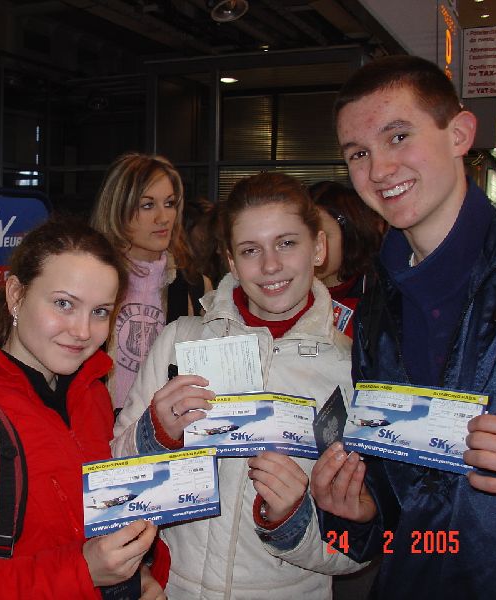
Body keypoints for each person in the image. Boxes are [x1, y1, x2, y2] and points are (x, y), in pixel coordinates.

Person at [310, 55, 496, 600]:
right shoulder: (377, 306)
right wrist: (362, 512)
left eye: (398, 137)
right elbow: (402, 496)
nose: (379, 169)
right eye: (358, 153)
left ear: (460, 134)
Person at [112, 172, 364, 599]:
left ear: (318, 247)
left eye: (287, 243)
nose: (270, 265)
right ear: (230, 260)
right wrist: (156, 434)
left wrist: (291, 520)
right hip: (175, 589)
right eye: (250, 250)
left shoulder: (352, 369)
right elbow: (116, 486)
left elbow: (360, 547)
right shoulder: (179, 341)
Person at [0, 219, 167, 599]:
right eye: (64, 304)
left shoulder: (90, 394)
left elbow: (94, 523)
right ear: (15, 295)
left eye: (100, 312)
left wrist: (135, 574)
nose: (82, 331)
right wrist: (83, 570)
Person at [90, 153, 211, 412]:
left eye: (169, 203)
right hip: (99, 425)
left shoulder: (196, 287)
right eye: (147, 205)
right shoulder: (89, 282)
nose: (163, 217)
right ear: (118, 209)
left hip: (166, 426)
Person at [309, 181, 384, 338]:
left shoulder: (378, 297)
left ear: (351, 238)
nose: (312, 248)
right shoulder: (289, 294)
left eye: (323, 237)